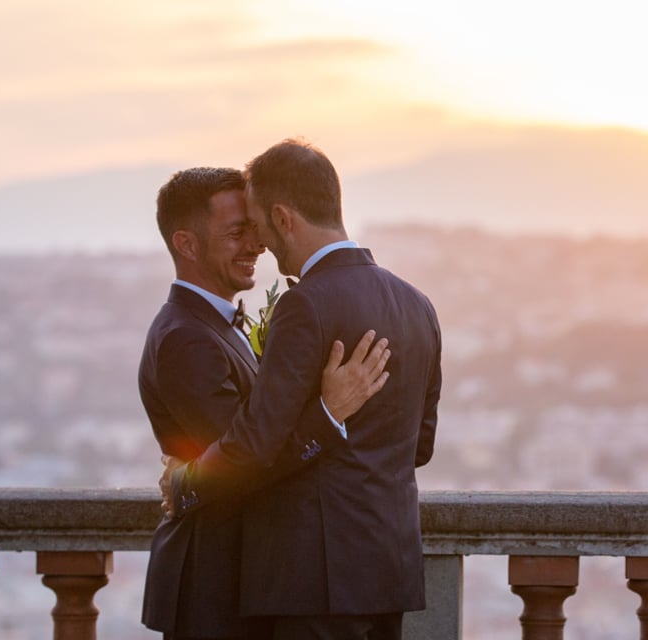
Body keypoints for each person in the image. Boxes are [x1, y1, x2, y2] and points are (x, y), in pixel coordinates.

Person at [164, 139, 443, 640]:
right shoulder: (418, 305)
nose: (260, 243)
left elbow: (256, 443)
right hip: (390, 571)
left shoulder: (305, 306)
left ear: (283, 217)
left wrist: (187, 482)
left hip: (314, 581)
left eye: (259, 225)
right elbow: (419, 446)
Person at [139, 166, 388, 640]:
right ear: (187, 245)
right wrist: (329, 413)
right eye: (236, 234)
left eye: (254, 231)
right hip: (211, 585)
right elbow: (245, 461)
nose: (256, 246)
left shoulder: (216, 326)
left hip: (245, 577)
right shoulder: (185, 340)